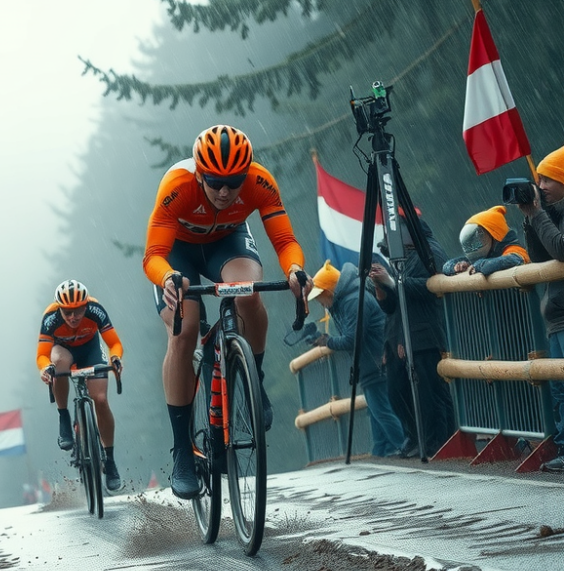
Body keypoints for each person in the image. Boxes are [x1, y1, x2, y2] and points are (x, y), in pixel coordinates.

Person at [143, 125, 310, 499]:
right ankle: (182, 450)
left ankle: (253, 379)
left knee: (249, 294)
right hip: (178, 253)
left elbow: (285, 240)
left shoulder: (260, 182)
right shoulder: (177, 185)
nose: (224, 192)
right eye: (215, 182)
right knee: (184, 331)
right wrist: (168, 277)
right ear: (200, 174)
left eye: (233, 183)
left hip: (227, 243)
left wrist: (295, 270)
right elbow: (153, 255)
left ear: (245, 174)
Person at [368, 209, 456, 459]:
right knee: (401, 393)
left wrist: (391, 281)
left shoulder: (430, 251)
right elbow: (393, 305)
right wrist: (381, 287)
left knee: (431, 394)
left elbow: (430, 288)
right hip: (407, 334)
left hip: (426, 331)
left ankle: (438, 442)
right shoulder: (405, 257)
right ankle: (419, 438)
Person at [308, 260, 406, 457]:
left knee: (382, 411)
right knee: (376, 411)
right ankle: (383, 450)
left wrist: (328, 341)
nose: (320, 301)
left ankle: (403, 447)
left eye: (320, 296)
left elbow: (352, 339)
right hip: (371, 363)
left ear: (330, 291)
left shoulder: (352, 301)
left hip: (375, 363)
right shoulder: (347, 300)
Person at [36, 280, 125, 492]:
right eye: (67, 312)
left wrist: (115, 358)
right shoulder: (51, 317)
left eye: (78, 311)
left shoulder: (95, 310)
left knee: (100, 400)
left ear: (86, 305)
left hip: (90, 350)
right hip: (63, 351)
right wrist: (45, 368)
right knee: (59, 363)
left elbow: (114, 343)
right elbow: (42, 355)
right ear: (59, 308)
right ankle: (64, 416)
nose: (73, 317)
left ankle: (109, 460)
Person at [518, 145, 564, 473]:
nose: (541, 186)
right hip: (556, 318)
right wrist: (529, 218)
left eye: (547, 179)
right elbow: (539, 257)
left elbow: (561, 249)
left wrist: (538, 215)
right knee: (560, 391)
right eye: (539, 180)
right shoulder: (553, 213)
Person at [443, 205, 529, 276]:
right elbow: (446, 266)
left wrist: (478, 266)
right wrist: (456, 267)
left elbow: (509, 261)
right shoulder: (487, 255)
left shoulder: (515, 250)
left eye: (480, 236)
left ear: (493, 234)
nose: (473, 247)